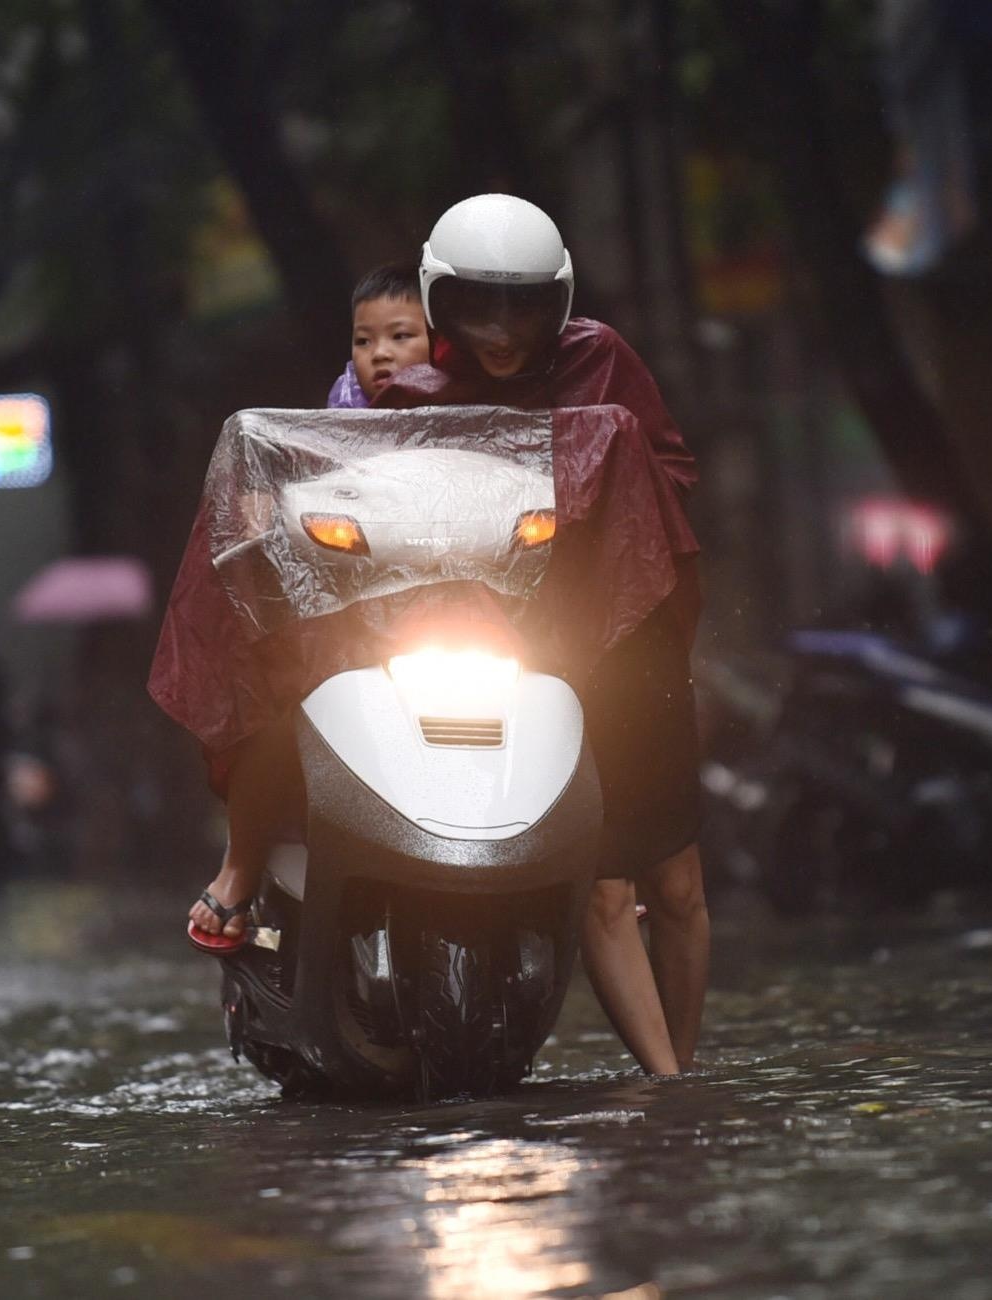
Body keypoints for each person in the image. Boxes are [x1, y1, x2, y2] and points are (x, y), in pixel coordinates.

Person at [378, 193, 711, 1077]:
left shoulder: (600, 358)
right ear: (438, 299)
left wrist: (599, 474)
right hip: (514, 657)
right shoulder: (411, 396)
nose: (500, 329)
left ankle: (685, 1067)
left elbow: (672, 469)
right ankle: (669, 1089)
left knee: (675, 883)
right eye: (477, 305)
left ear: (555, 301)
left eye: (521, 305)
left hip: (631, 644)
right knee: (602, 884)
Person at [327, 263, 435, 409]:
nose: (379, 354)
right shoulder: (343, 414)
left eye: (400, 336)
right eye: (363, 341)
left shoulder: (470, 406)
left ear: (439, 341)